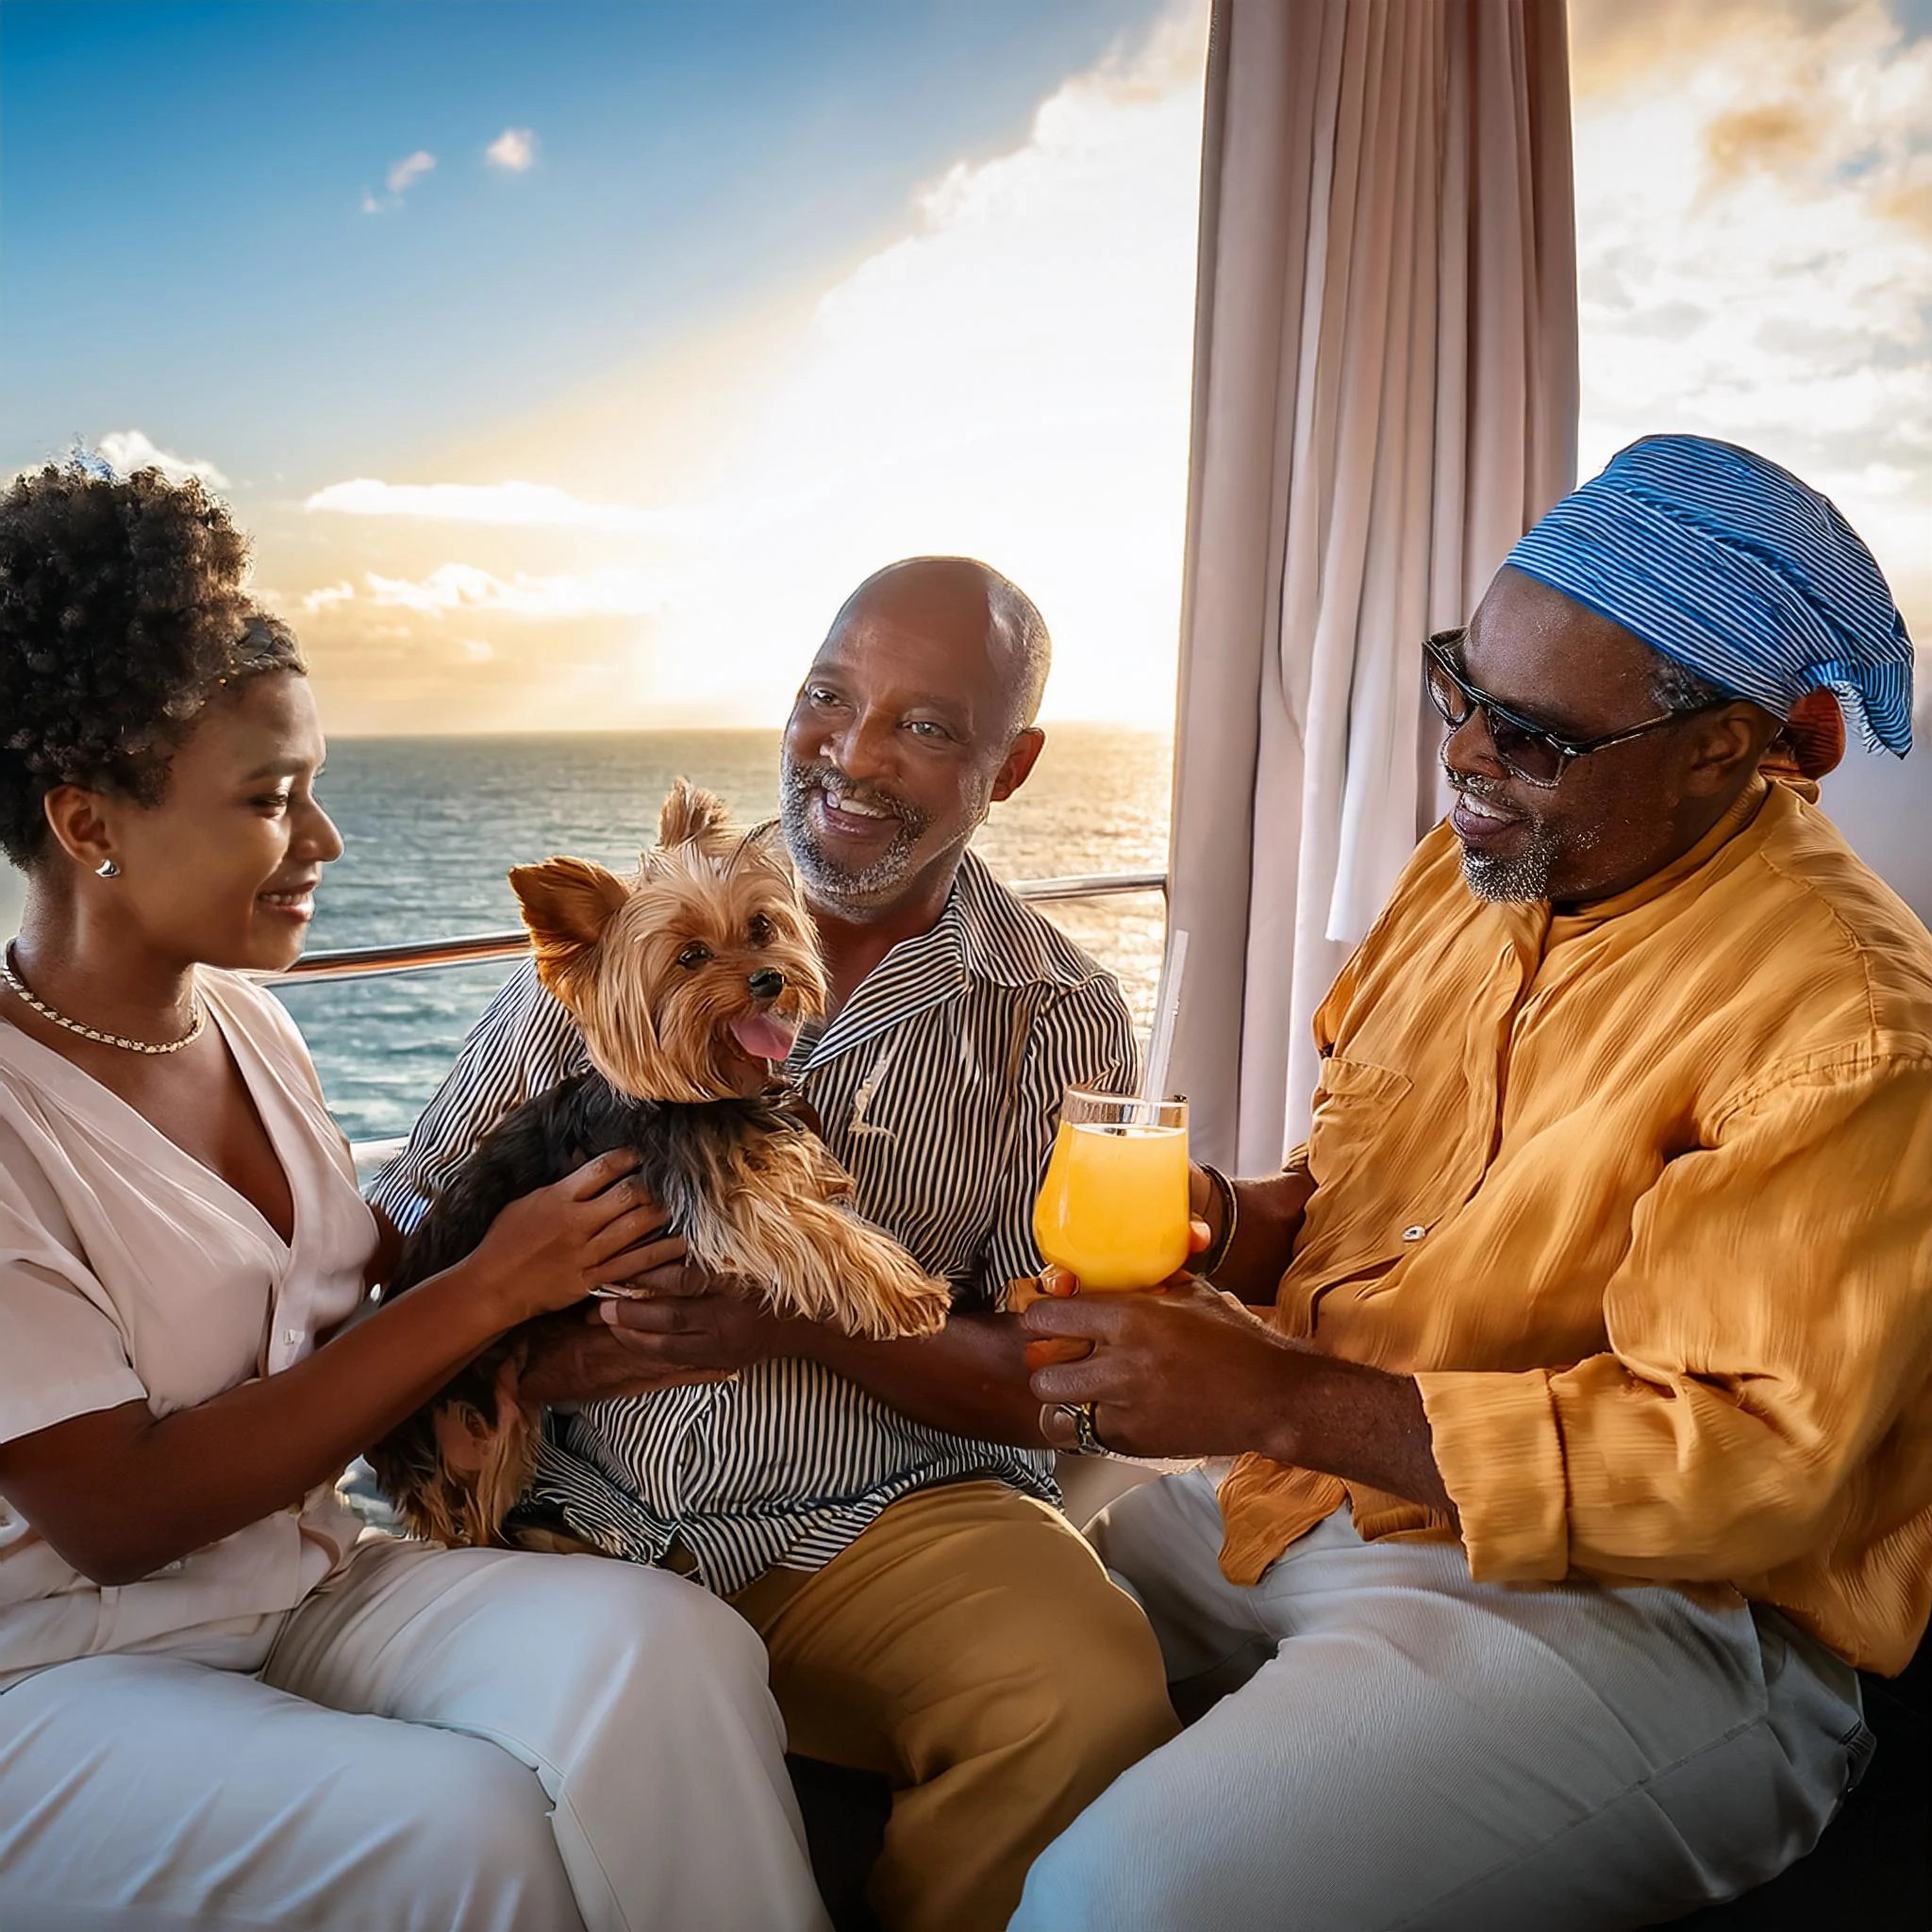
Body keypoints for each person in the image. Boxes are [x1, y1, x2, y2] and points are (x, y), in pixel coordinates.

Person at [1011, 435, 1932, 1931]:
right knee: (970, 1681)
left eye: (1539, 737)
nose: (1465, 757)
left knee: (1121, 1900)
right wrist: (1232, 1231)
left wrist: (1271, 1397)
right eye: (1461, 688)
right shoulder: (1474, 870)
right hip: (1318, 1492)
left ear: (1738, 742)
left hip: (1659, 1616)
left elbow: (1747, 1464)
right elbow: (1369, 1202)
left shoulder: (1849, 1026)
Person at [0, 461, 830, 1932]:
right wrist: (492, 1284)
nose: (324, 843)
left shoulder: (247, 1025)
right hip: (64, 1669)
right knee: (465, 1829)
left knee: (676, 1651)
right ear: (86, 823)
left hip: (305, 1581)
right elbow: (119, 1515)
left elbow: (348, 1288)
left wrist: (587, 1283)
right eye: (273, 800)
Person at [370, 557, 1178, 1932]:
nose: (851, 758)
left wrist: (790, 1318)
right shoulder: (626, 953)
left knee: (1087, 1684)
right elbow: (407, 1231)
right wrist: (541, 1355)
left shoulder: (1057, 1012)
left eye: (926, 727)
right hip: (559, 1503)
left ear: (1015, 762)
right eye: (828, 698)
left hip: (879, 1520)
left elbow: (1060, 1372)